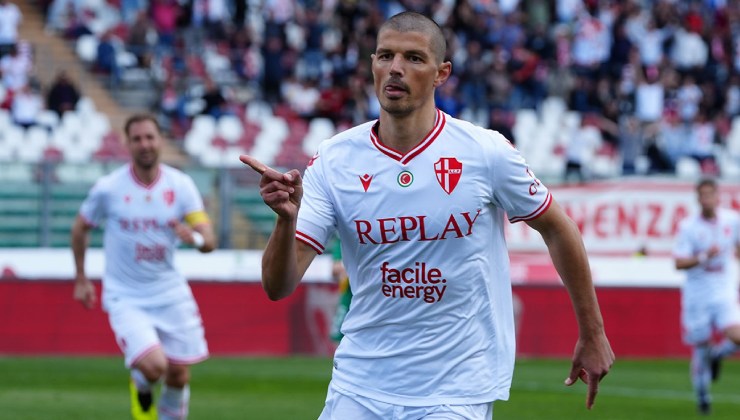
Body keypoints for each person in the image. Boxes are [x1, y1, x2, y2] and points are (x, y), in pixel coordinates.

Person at [240, 11, 613, 419]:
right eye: (385, 56)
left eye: (414, 58)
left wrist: (592, 332)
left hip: (455, 390)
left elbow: (559, 229)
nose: (395, 69)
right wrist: (285, 219)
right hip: (360, 384)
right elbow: (278, 286)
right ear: (371, 64)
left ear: (441, 73)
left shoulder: (484, 152)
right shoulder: (335, 159)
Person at [71, 114, 216, 420]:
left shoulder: (180, 185)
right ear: (127, 144)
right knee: (154, 366)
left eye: (150, 137)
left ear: (160, 140)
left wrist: (197, 240)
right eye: (137, 139)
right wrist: (81, 279)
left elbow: (209, 238)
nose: (145, 144)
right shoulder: (109, 188)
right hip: (126, 295)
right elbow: (81, 228)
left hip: (169, 291)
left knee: (178, 376)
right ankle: (141, 381)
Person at [673, 178, 740, 415]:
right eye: (703, 195)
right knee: (700, 348)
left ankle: (719, 353)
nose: (707, 199)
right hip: (697, 295)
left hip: (723, 290)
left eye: (711, 194)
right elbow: (679, 263)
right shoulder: (688, 227)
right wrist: (703, 257)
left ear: (717, 196)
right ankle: (703, 396)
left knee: (737, 336)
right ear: (698, 198)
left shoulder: (732, 220)